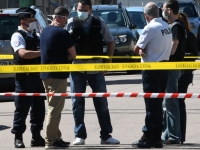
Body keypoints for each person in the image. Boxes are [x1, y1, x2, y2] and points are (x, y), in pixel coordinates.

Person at [65, 0, 120, 145]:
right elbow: (65, 43)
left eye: (83, 9)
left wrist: (108, 63)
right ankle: (79, 135)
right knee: (77, 103)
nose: (80, 11)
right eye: (79, 9)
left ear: (90, 10)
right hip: (77, 69)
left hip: (96, 69)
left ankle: (106, 135)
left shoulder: (99, 22)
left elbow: (111, 41)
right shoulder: (71, 22)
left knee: (101, 102)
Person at [132, 2, 172, 148]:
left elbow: (137, 48)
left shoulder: (150, 27)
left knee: (152, 105)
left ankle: (154, 137)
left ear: (145, 15)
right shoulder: (166, 25)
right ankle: (149, 134)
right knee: (156, 104)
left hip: (152, 69)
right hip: (164, 68)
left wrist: (142, 51)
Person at [40, 6, 76, 149]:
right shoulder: (63, 33)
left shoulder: (45, 31)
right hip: (58, 75)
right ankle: (50, 141)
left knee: (53, 107)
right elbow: (74, 55)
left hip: (45, 74)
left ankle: (56, 137)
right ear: (63, 17)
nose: (66, 21)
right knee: (54, 110)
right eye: (66, 18)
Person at [10, 7, 45, 148]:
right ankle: (18, 137)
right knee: (22, 109)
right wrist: (42, 52)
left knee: (38, 109)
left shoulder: (35, 36)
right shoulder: (17, 36)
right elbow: (23, 54)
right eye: (31, 21)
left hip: (37, 78)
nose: (33, 23)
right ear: (23, 21)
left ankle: (36, 137)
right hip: (24, 79)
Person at [162, 0, 187, 144]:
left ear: (169, 10)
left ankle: (174, 136)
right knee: (167, 102)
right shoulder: (174, 25)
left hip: (172, 67)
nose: (162, 10)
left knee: (171, 102)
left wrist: (163, 56)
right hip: (171, 68)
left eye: (164, 8)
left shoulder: (176, 26)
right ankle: (167, 134)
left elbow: (173, 45)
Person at [178, 12, 198, 144]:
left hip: (185, 74)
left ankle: (181, 135)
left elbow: (195, 54)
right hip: (174, 73)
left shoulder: (189, 36)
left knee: (179, 101)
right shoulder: (173, 35)